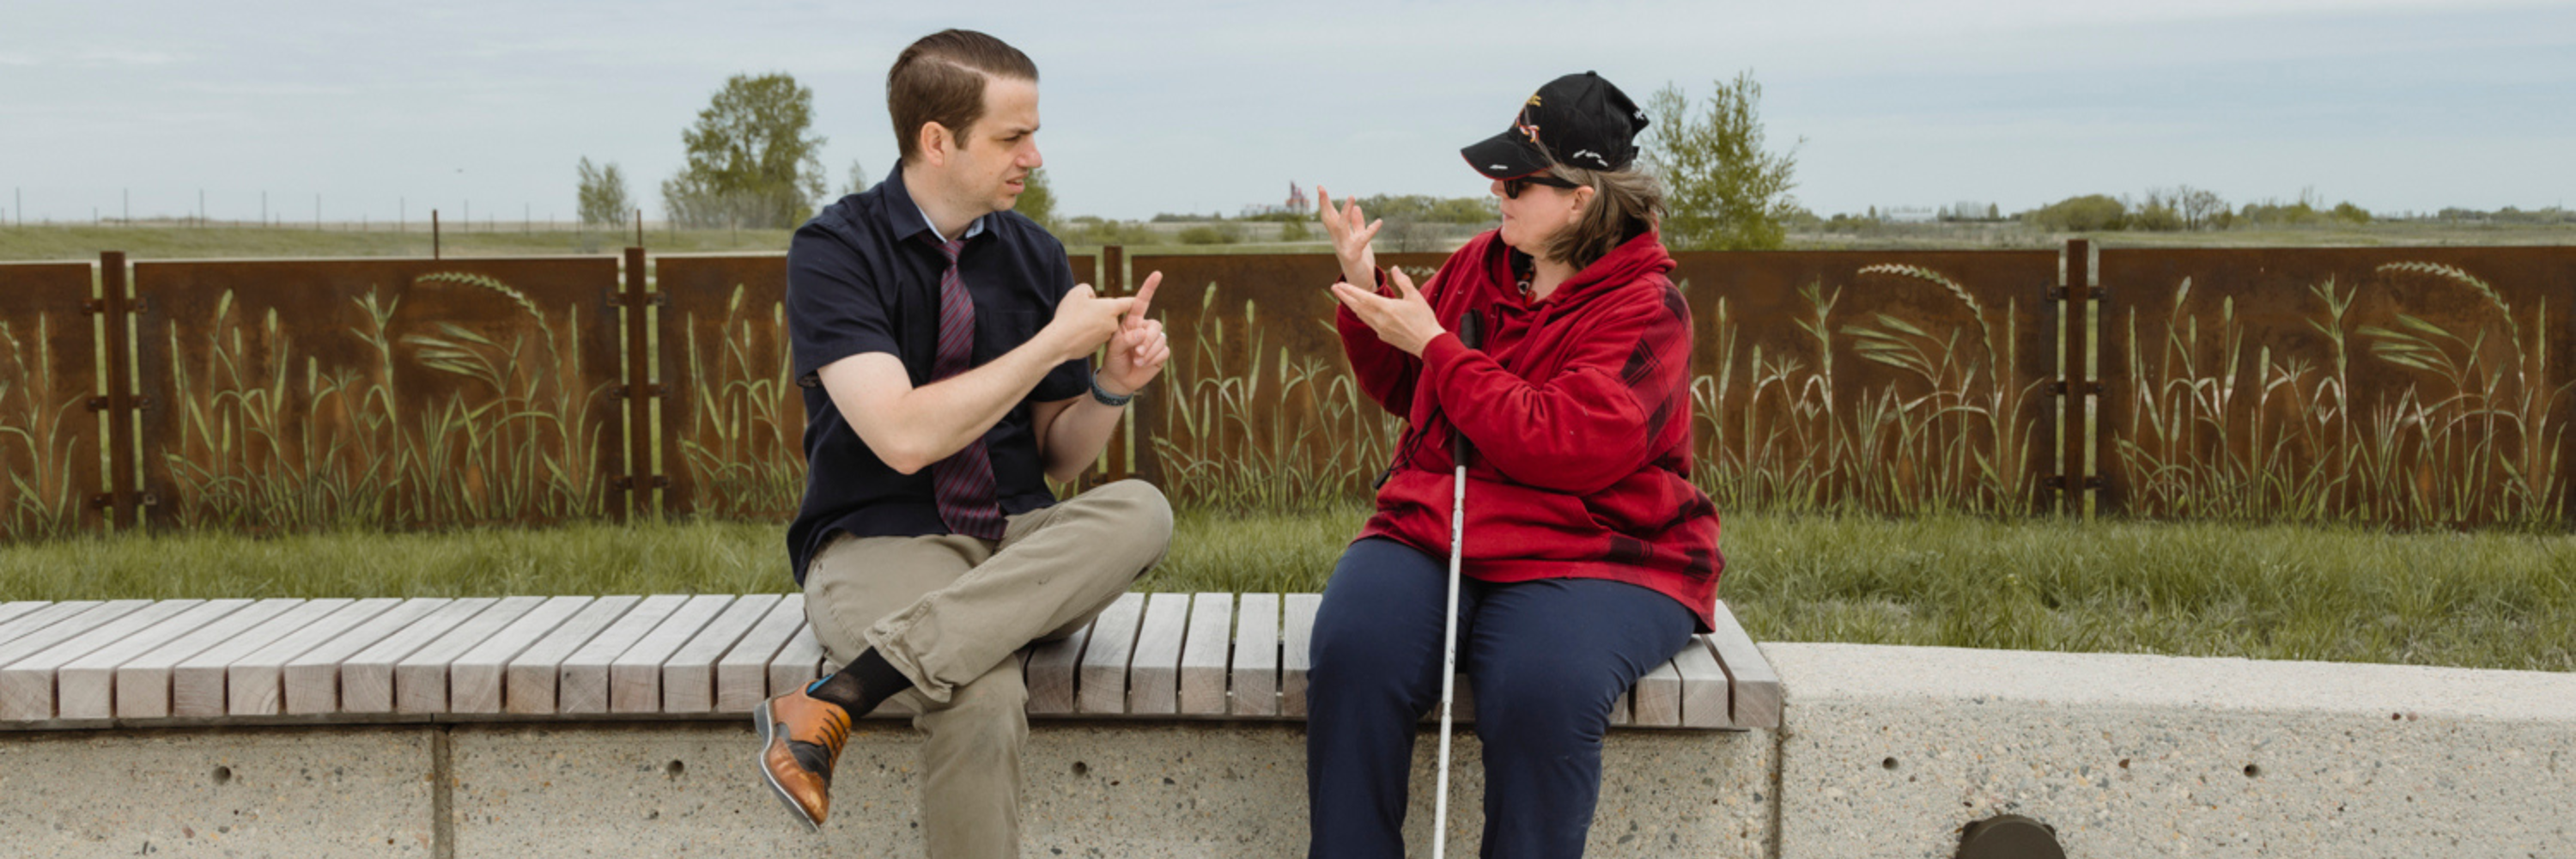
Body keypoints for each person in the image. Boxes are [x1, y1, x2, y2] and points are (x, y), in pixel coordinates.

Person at [756, 28, 1175, 859]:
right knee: (979, 695)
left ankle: (841, 693)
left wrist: (1110, 388)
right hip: (885, 538)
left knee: (1142, 508)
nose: (1036, 157)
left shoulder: (1033, 254)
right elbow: (903, 438)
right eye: (1013, 138)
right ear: (937, 141)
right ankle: (881, 673)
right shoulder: (835, 251)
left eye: (1034, 134)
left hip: (1016, 536)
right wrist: (1053, 346)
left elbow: (1060, 459)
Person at [1306, 70, 1723, 859]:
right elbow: (1411, 386)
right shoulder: (1482, 263)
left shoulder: (1646, 310)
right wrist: (1364, 297)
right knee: (1356, 651)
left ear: (1583, 197)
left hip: (1597, 549)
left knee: (1541, 687)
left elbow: (1566, 443)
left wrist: (1437, 345)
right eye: (1500, 173)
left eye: (1521, 179)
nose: (1499, 190)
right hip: (1442, 523)